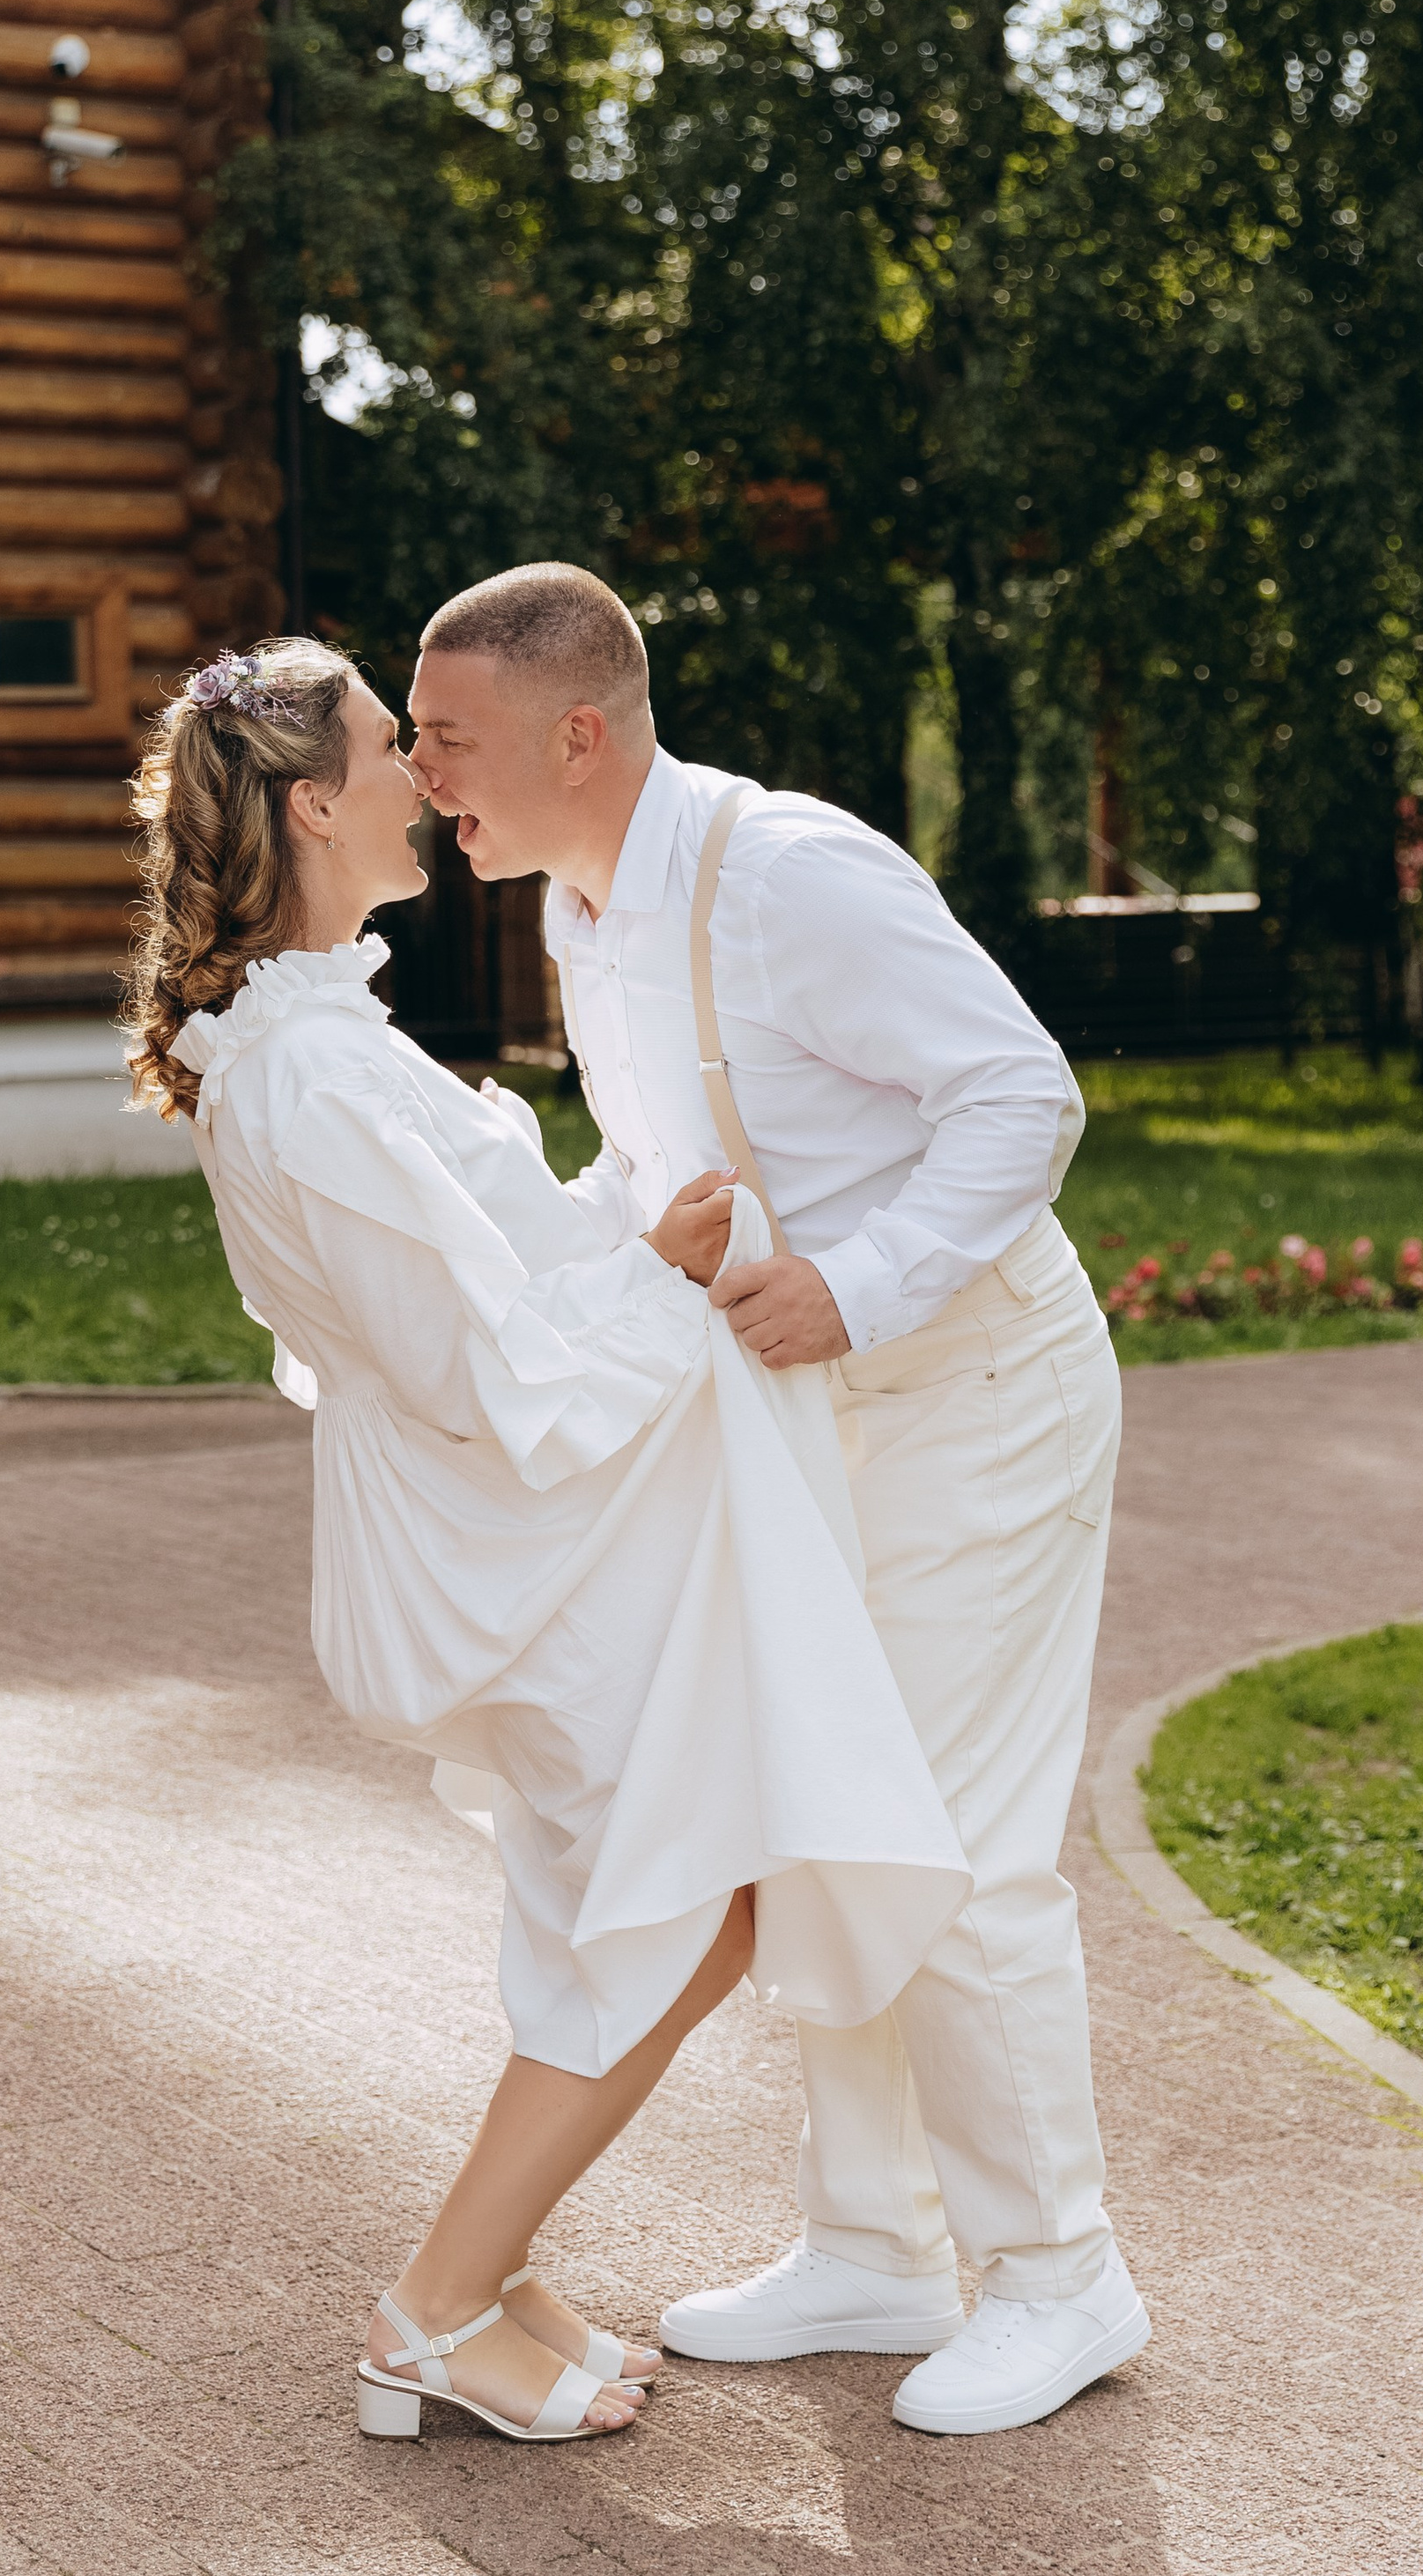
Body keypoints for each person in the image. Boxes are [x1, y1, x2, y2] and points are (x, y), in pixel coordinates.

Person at [122, 637, 971, 2448]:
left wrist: (616, 1228)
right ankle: (432, 2305)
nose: (424, 778)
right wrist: (668, 1283)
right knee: (676, 1910)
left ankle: (497, 2274)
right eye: (387, 746)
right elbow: (473, 1364)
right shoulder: (307, 1078)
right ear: (307, 806)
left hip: (504, 1519)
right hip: (500, 1535)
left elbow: (472, 1276)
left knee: (632, 1895)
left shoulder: (310, 1039)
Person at [406, 565, 1146, 2439]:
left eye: (449, 738)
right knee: (817, 1816)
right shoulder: (583, 905)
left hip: (975, 1395)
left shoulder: (791, 873)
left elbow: (1019, 1096)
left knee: (962, 1849)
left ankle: (1059, 2275)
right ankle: (873, 2246)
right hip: (810, 1428)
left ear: (580, 731)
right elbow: (660, 1164)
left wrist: (857, 1282)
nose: (422, 776)